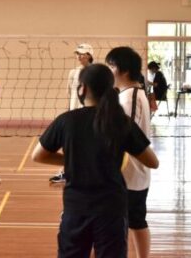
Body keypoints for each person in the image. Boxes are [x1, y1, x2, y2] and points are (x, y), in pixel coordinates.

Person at [32, 64, 159, 258]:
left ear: (82, 88)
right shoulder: (120, 121)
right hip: (112, 209)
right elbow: (153, 162)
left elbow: (38, 155)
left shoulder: (66, 120)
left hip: (76, 209)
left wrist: (74, 158)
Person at [106, 47, 153, 258]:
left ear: (123, 70)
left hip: (128, 174)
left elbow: (125, 135)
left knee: (126, 223)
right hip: (132, 174)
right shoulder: (129, 94)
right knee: (135, 221)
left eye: (111, 66)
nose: (109, 70)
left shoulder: (131, 97)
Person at [49, 43, 94, 184]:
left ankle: (90, 171)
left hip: (90, 114)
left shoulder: (95, 72)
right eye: (77, 53)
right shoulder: (73, 73)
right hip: (74, 114)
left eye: (82, 53)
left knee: (89, 144)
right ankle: (66, 172)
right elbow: (70, 93)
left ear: (89, 55)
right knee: (70, 143)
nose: (79, 56)